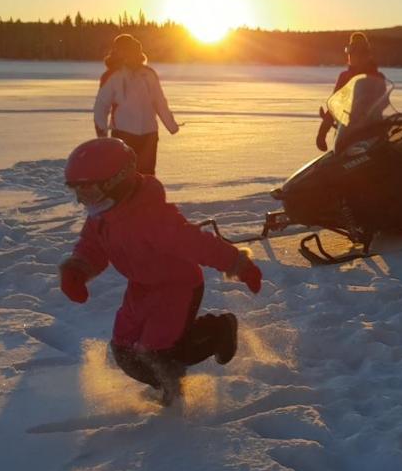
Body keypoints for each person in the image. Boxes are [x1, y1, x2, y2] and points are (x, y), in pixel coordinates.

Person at [57, 138, 263, 406]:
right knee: (123, 350)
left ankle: (216, 334)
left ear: (116, 182)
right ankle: (163, 383)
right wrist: (78, 268)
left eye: (89, 192)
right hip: (141, 287)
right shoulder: (101, 214)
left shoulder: (152, 218)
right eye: (78, 193)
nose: (84, 201)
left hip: (177, 287)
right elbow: (91, 245)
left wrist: (239, 264)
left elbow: (197, 244)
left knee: (157, 351)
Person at [94, 34, 179, 174]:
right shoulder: (112, 76)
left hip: (149, 134)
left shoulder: (149, 74)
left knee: (147, 174)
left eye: (134, 51)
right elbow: (101, 105)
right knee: (123, 174)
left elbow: (159, 101)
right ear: (118, 52)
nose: (132, 55)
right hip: (123, 133)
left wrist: (171, 125)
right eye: (127, 51)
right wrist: (101, 132)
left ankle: (147, 195)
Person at [317, 32, 385, 151]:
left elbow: (383, 103)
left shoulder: (377, 77)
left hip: (373, 132)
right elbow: (335, 106)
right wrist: (322, 132)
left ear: (367, 55)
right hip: (349, 133)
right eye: (352, 54)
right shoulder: (345, 77)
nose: (355, 57)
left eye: (360, 54)